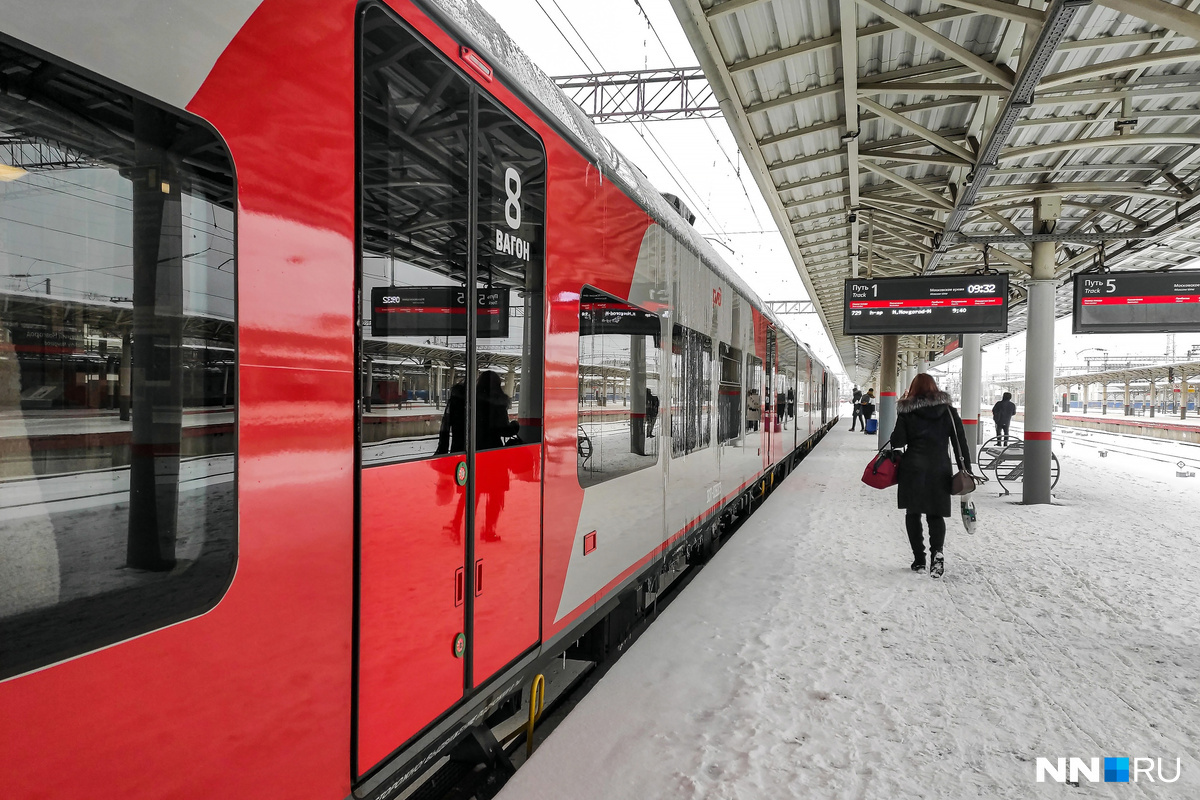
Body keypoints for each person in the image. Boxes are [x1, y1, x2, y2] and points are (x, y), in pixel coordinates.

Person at [890, 373, 971, 578]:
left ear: (913, 389)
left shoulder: (907, 411)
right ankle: (938, 555)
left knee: (913, 513)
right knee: (935, 513)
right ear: (935, 389)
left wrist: (901, 410)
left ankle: (919, 560)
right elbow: (960, 442)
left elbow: (897, 442)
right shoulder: (948, 411)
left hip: (913, 468)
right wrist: (967, 469)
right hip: (939, 468)